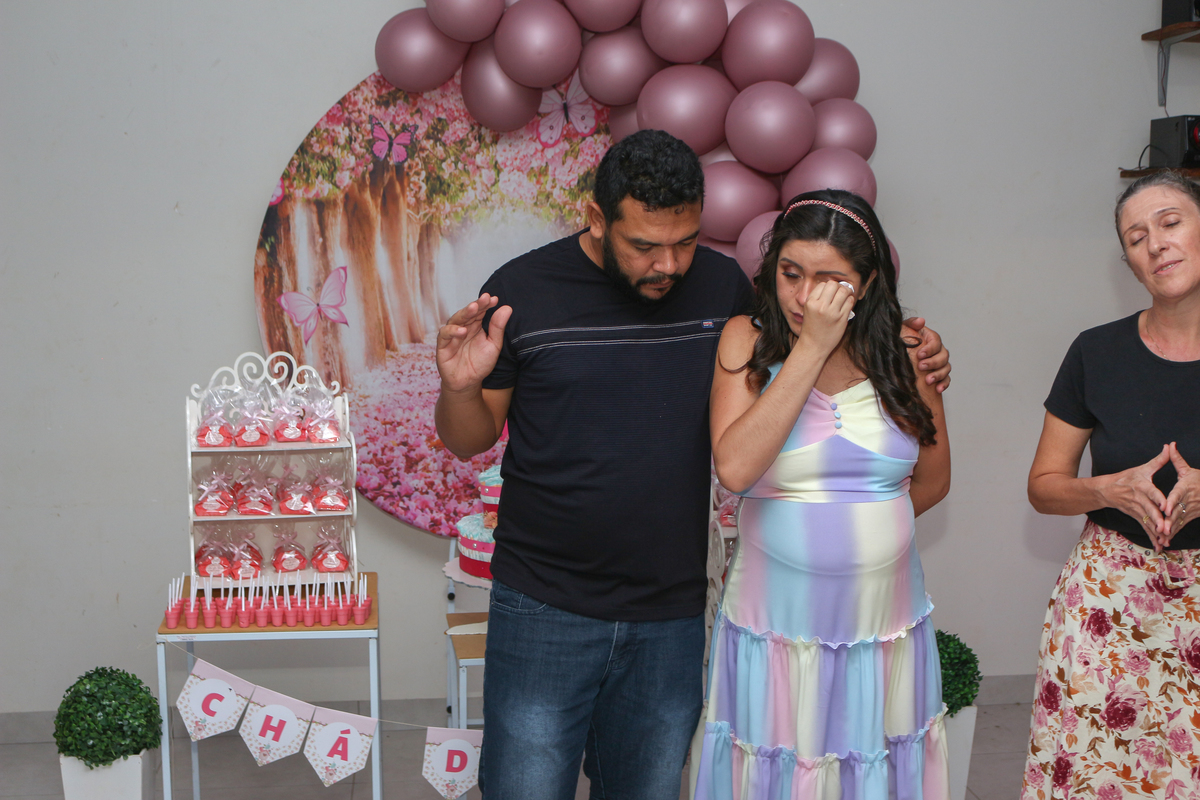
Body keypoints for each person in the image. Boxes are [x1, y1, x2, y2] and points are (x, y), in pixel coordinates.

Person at [434, 130, 952, 800]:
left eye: (685, 240)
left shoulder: (719, 287)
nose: (669, 264)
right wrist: (459, 388)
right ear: (596, 219)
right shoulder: (522, 291)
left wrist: (915, 348)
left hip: (669, 608)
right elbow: (469, 438)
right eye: (644, 245)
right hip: (545, 602)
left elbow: (793, 358)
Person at [694, 189, 951, 799]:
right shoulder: (745, 340)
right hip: (777, 627)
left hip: (882, 626)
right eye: (791, 273)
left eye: (829, 280)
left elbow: (934, 480)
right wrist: (810, 348)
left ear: (866, 283)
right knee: (781, 765)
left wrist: (858, 535)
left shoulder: (907, 353)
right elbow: (735, 468)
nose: (804, 297)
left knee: (872, 765)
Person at [1019, 171, 1200, 799]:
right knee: (1097, 776)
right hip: (1108, 608)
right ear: (1128, 262)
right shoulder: (1096, 353)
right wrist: (1108, 489)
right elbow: (1044, 487)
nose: (1156, 243)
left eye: (1170, 223)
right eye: (1136, 237)